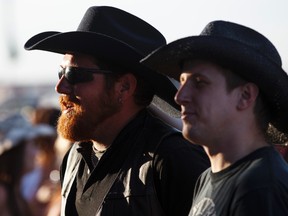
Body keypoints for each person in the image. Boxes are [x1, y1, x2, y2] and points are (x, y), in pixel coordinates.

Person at [24, 6, 210, 216]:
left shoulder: (173, 160)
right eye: (61, 71)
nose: (60, 86)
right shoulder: (74, 158)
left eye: (74, 74)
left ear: (124, 87)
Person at [141, 20, 288, 215]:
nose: (180, 97)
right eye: (182, 81)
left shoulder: (261, 187)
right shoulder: (206, 179)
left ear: (245, 96)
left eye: (199, 83)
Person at [0, 113, 56, 216]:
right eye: (32, 144)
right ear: (17, 151)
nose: (37, 151)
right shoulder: (2, 193)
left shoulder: (14, 190)